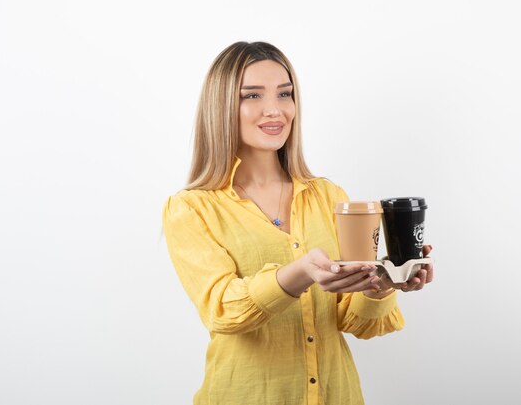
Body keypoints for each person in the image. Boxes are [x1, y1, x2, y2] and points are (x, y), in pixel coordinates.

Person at [162, 41, 434, 405]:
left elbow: (357, 322)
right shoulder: (192, 208)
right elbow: (223, 310)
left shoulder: (328, 196)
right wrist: (300, 272)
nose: (274, 110)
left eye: (285, 94)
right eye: (252, 96)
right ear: (221, 107)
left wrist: (379, 285)